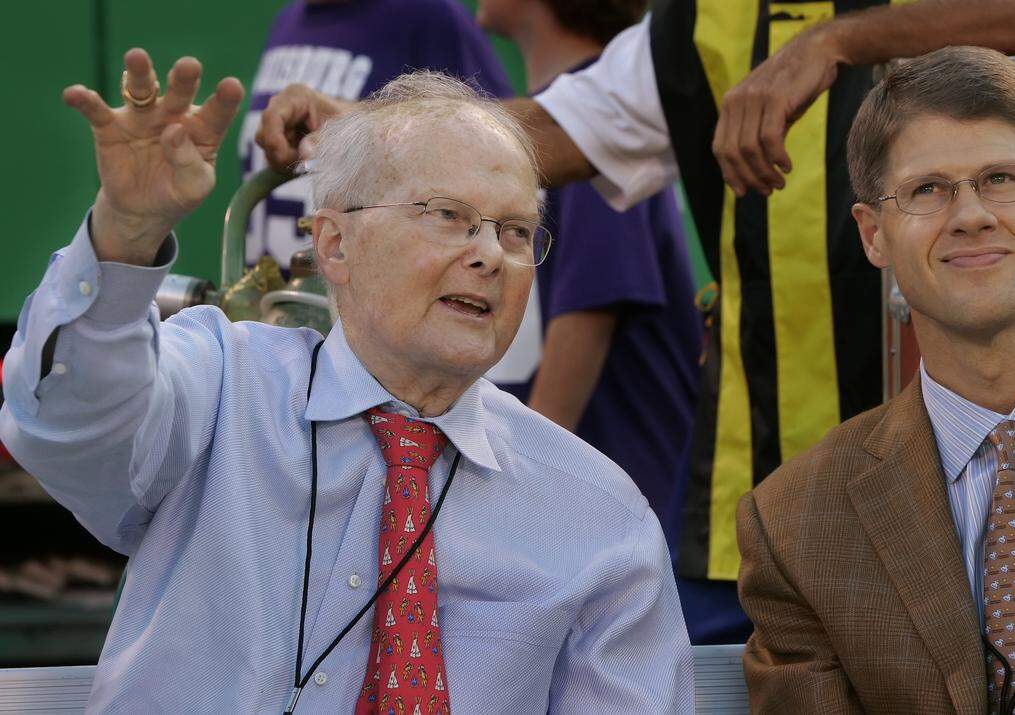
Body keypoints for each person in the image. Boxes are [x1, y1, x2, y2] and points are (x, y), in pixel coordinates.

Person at [255, 0, 1015, 645]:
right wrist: (372, 132)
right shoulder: (699, 17)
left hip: (982, 486)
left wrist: (838, 41)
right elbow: (548, 131)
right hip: (754, 508)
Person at [0, 50, 692, 712]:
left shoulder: (596, 516)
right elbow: (63, 424)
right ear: (334, 244)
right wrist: (125, 233)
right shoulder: (217, 389)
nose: (489, 255)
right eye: (448, 216)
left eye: (515, 232)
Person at [736, 45, 1015, 712]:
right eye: (927, 189)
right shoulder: (795, 525)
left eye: (1001, 179)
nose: (970, 213)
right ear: (873, 235)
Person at [474, 0, 701, 566]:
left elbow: (592, 309)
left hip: (609, 500)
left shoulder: (589, 120)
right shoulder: (577, 109)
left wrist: (521, 482)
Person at [238, 0, 513, 269]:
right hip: (272, 292)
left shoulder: (428, 13)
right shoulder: (288, 20)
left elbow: (493, 145)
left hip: (368, 291)